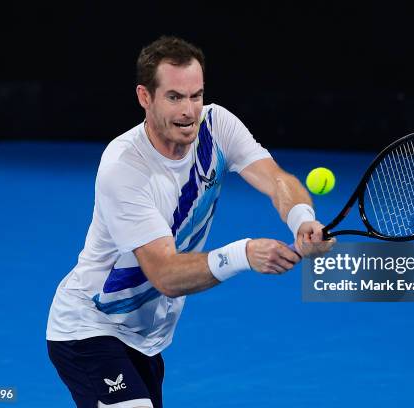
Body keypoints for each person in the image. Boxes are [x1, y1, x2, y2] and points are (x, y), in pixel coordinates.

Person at [46, 35, 334, 408]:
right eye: (174, 97)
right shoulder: (124, 168)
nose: (189, 110)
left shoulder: (217, 126)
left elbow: (275, 178)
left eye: (195, 96)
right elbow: (165, 275)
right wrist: (244, 253)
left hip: (147, 339)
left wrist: (301, 220)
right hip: (89, 327)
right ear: (144, 97)